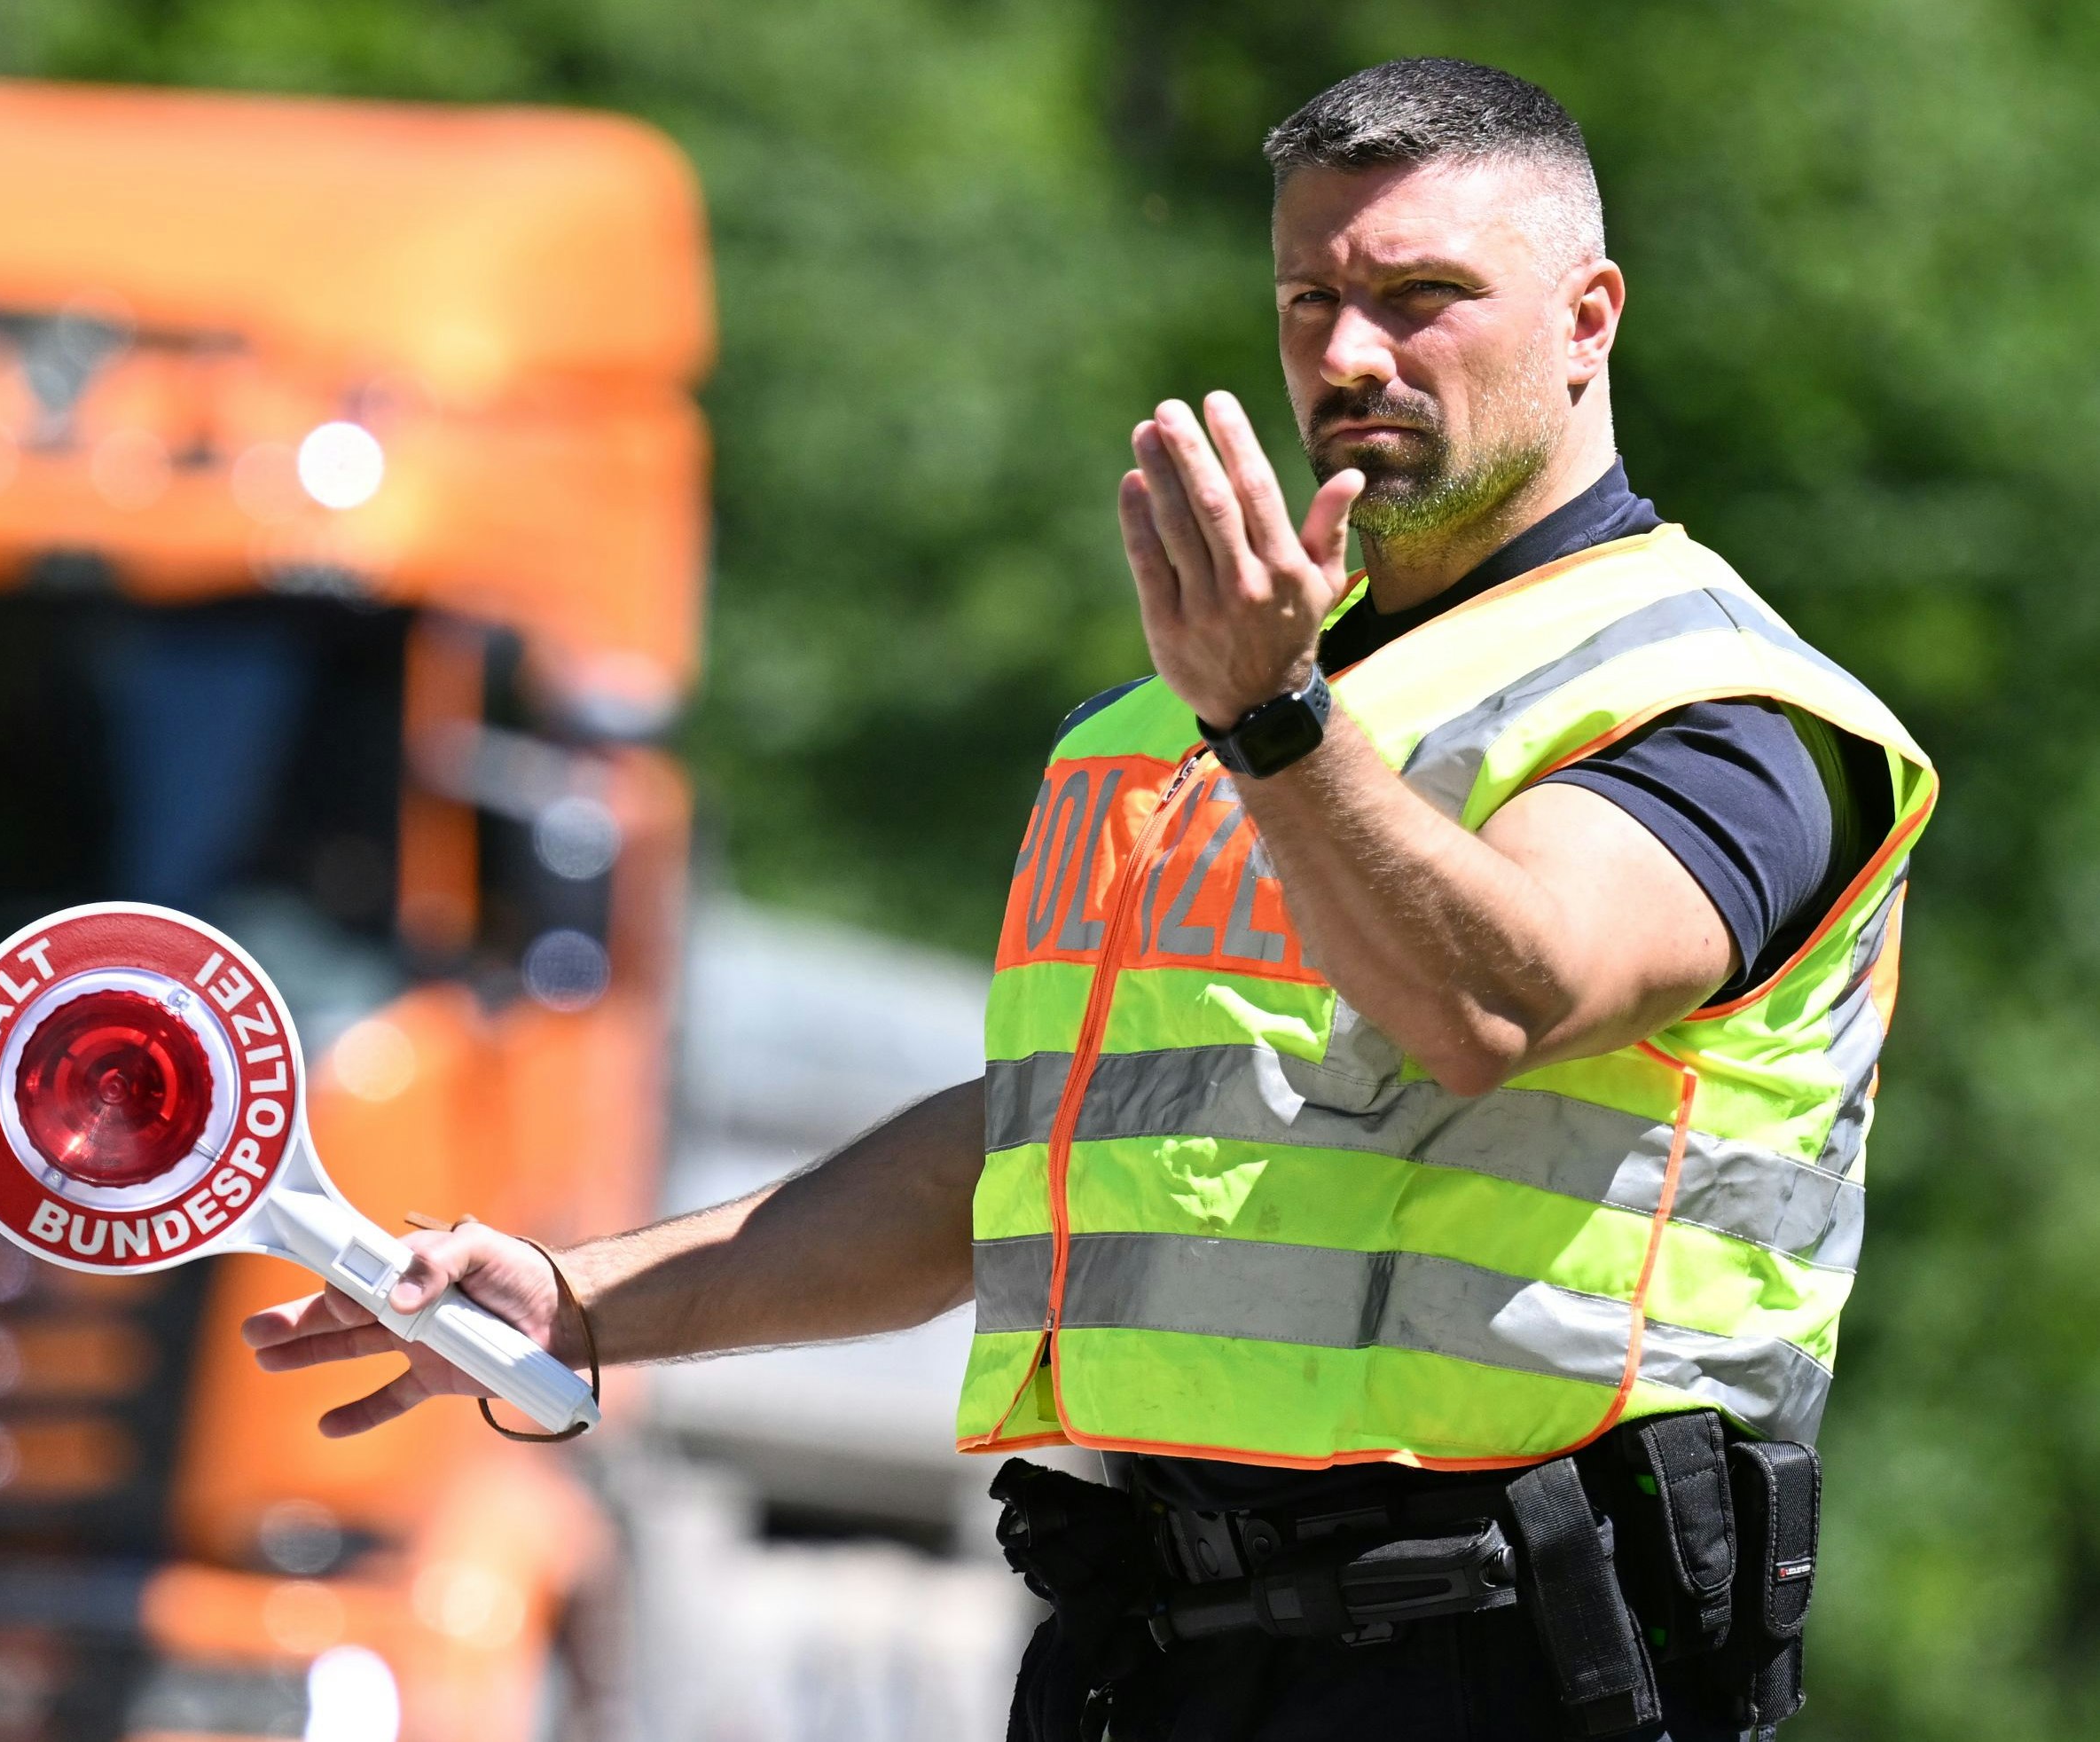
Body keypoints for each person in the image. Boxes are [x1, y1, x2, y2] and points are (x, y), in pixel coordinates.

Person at [242, 57, 1932, 1742]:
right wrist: (586, 1302)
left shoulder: (1723, 708)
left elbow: (1503, 1001)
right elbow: (1043, 1151)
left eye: (1424, 299)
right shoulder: (1176, 720)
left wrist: (1275, 725)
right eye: (1310, 300)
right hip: (1154, 1649)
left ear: (1588, 317)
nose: (1349, 356)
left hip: (1519, 1667)